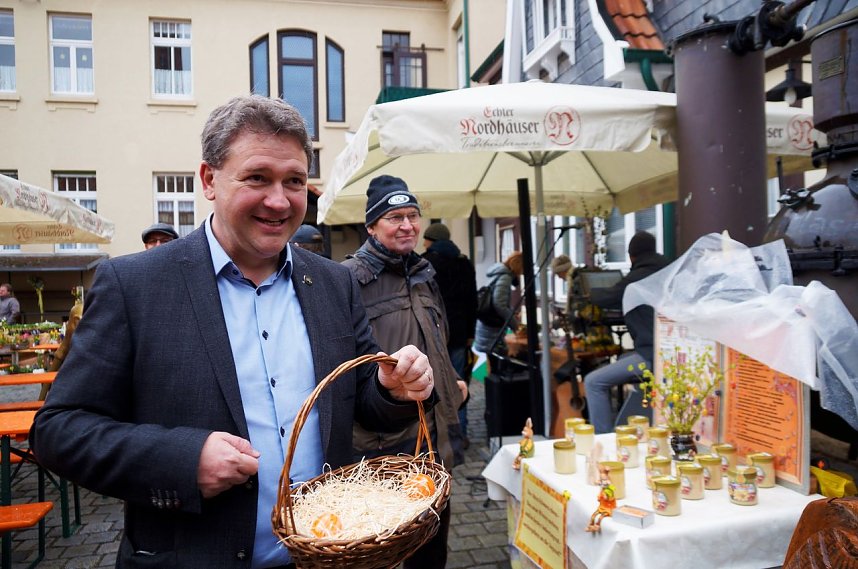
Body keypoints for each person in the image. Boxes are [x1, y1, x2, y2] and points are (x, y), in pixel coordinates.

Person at [30, 95, 436, 569]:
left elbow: (361, 402)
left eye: (295, 182)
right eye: (257, 178)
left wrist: (391, 389)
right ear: (209, 179)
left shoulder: (332, 281)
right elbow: (58, 431)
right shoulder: (134, 285)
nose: (279, 201)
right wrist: (183, 460)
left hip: (328, 556)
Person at [342, 175, 465, 569]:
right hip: (388, 443)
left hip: (435, 437)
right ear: (372, 226)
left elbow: (438, 344)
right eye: (395, 217)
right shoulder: (349, 280)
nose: (408, 225)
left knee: (432, 546)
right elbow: (347, 369)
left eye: (413, 215)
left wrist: (454, 384)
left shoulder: (425, 273)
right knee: (388, 548)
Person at [583, 231, 669, 433]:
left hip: (652, 356)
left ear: (632, 256)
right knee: (623, 357)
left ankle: (602, 438)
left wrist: (588, 294)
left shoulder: (638, 277)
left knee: (593, 382)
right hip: (671, 354)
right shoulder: (668, 270)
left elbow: (607, 297)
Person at [422, 222, 477, 446]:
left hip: (434, 334)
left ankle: (437, 436)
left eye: (425, 239)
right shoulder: (464, 263)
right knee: (458, 382)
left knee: (433, 383)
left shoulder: (425, 263)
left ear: (431, 240)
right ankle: (459, 433)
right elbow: (473, 302)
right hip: (459, 333)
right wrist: (470, 333)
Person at [473, 250, 524, 367]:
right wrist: (515, 326)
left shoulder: (497, 274)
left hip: (486, 325)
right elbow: (499, 304)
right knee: (497, 364)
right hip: (492, 330)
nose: (521, 273)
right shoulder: (505, 277)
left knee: (491, 361)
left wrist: (511, 311)